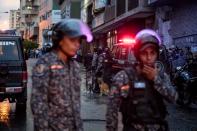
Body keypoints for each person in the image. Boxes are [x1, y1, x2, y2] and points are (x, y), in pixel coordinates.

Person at [106, 29, 178, 131]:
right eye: (144, 53)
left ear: (157, 54)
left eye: (152, 53)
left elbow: (173, 98)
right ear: (137, 54)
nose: (149, 58)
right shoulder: (124, 77)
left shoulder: (161, 76)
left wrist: (155, 79)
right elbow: (112, 110)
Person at [31, 19, 93, 131]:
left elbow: (76, 104)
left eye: (79, 41)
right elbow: (38, 105)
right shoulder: (45, 63)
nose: (77, 45)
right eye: (72, 40)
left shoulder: (75, 66)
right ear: (59, 40)